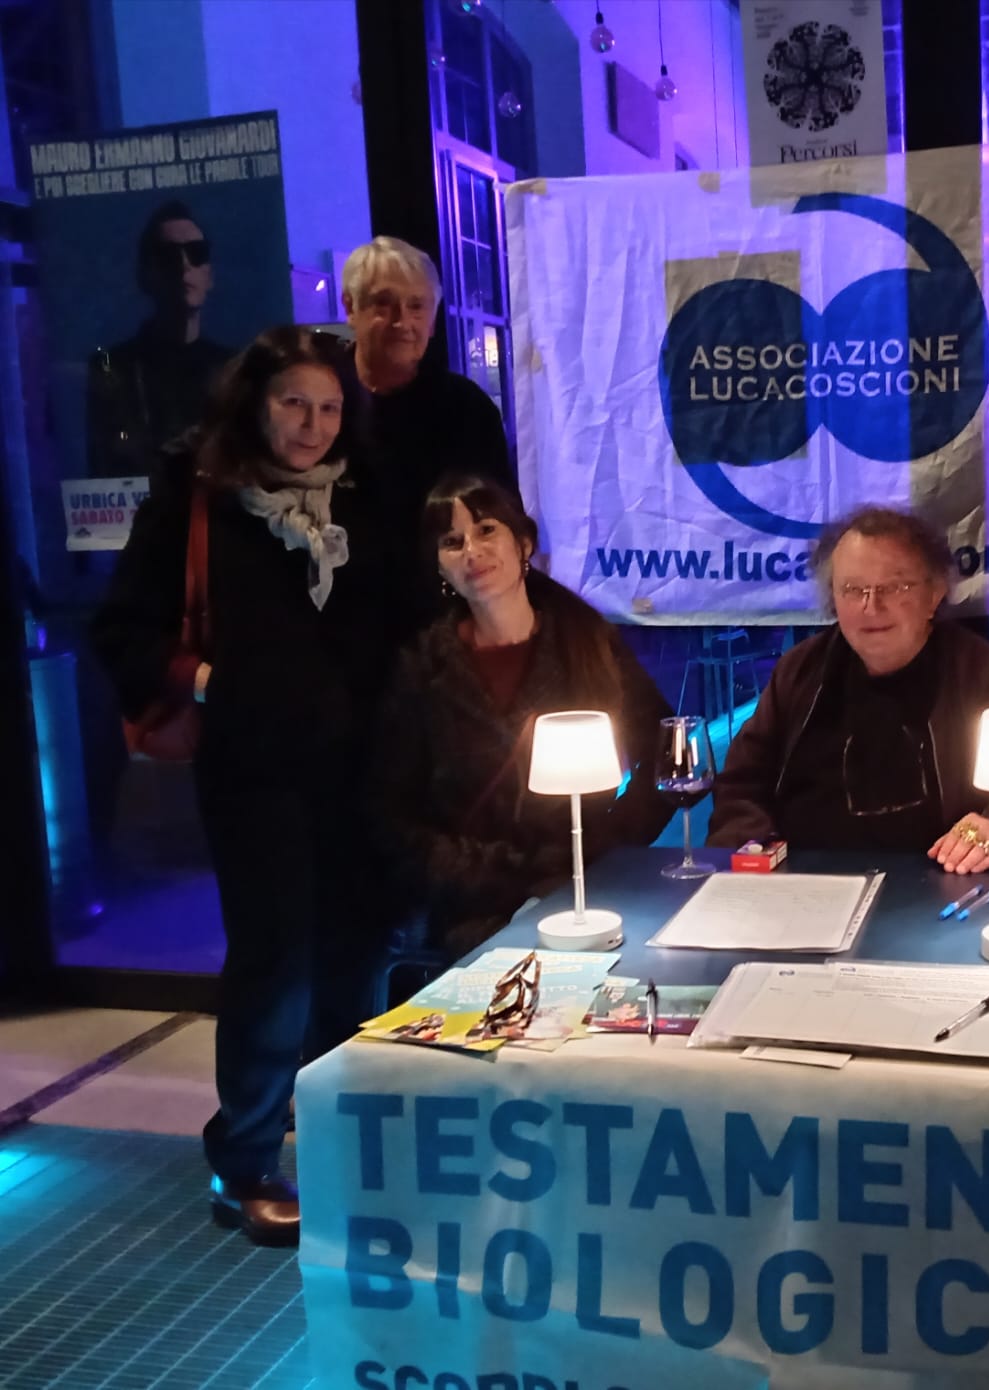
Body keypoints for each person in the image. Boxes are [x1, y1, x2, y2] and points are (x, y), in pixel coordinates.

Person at [92, 326, 396, 1247]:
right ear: (256, 403)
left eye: (330, 406)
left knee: (354, 958)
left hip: (357, 766)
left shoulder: (365, 494)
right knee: (275, 960)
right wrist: (206, 682)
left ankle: (340, 1148)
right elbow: (123, 628)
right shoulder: (199, 493)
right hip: (254, 768)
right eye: (294, 402)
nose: (312, 424)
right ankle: (247, 1159)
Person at [372, 474, 673, 957]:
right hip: (472, 910)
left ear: (524, 544)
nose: (472, 552)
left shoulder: (586, 643)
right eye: (452, 541)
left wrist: (604, 846)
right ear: (438, 565)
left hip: (584, 890)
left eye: (486, 530)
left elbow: (666, 752)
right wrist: (476, 875)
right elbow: (391, 811)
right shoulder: (422, 666)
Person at [708, 505, 989, 866]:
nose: (871, 607)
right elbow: (741, 786)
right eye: (853, 589)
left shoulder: (982, 673)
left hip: (944, 886)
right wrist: (754, 852)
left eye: (894, 586)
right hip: (803, 885)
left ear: (935, 594)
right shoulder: (799, 670)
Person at [340, 236, 519, 624]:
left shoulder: (467, 410)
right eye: (383, 303)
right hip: (331, 625)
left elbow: (499, 524)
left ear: (434, 319)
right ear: (350, 307)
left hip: (440, 624)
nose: (402, 322)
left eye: (417, 306)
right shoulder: (318, 400)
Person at [86, 200, 235, 477]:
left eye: (197, 253)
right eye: (168, 256)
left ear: (210, 276)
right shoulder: (113, 367)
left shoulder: (233, 367)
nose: (184, 265)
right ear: (145, 276)